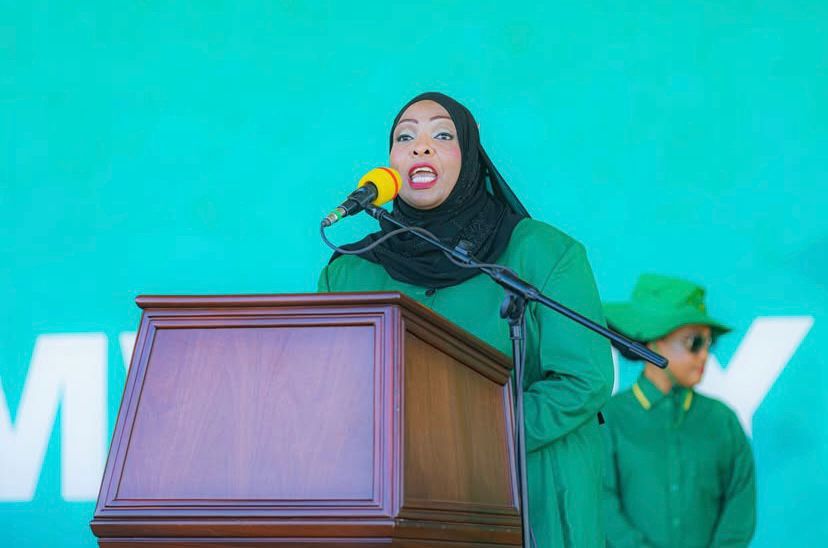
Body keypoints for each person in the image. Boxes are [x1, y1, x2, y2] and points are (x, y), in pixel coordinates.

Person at [317, 92, 613, 546]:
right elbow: (331, 396)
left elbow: (583, 380)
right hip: (396, 507)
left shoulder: (540, 252)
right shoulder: (350, 273)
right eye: (405, 137)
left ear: (470, 156)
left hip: (527, 500)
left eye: (442, 134)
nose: (420, 146)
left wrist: (471, 436)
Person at [602, 274, 756, 547]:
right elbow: (602, 505)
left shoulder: (723, 421)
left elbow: (739, 510)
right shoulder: (609, 418)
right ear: (653, 341)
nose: (704, 355)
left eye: (709, 343)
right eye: (693, 342)